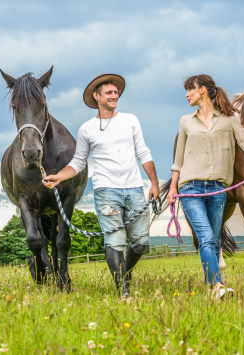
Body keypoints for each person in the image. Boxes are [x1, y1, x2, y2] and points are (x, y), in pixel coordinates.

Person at [43, 73, 160, 297]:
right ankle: (123, 292)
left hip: (135, 189)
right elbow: (78, 161)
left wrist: (154, 183)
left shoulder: (130, 120)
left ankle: (123, 271)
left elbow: (143, 152)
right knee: (115, 242)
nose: (114, 96)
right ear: (97, 96)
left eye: (116, 92)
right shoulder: (87, 129)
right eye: (109, 92)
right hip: (106, 192)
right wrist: (58, 176)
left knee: (141, 244)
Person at [167, 74, 244, 298]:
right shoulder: (185, 121)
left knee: (215, 239)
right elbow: (178, 161)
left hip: (218, 190)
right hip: (191, 189)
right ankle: (217, 286)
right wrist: (172, 189)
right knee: (208, 237)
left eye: (190, 89)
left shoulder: (229, 121)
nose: (187, 94)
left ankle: (213, 288)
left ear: (202, 91)